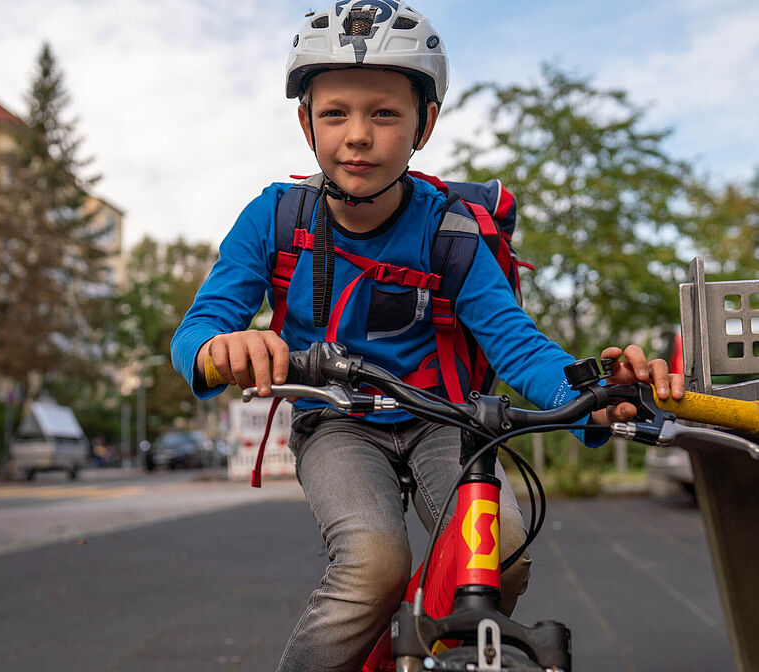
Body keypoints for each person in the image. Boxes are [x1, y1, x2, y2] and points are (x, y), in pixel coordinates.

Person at [170, 3, 684, 670]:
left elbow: (516, 345)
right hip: (337, 422)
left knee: (500, 549)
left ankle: (423, 648)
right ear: (306, 123)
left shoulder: (452, 232)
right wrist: (220, 348)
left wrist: (597, 393)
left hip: (449, 419)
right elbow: (197, 331)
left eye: (384, 113)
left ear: (425, 124)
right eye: (335, 114)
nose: (358, 135)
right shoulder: (273, 218)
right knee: (375, 562)